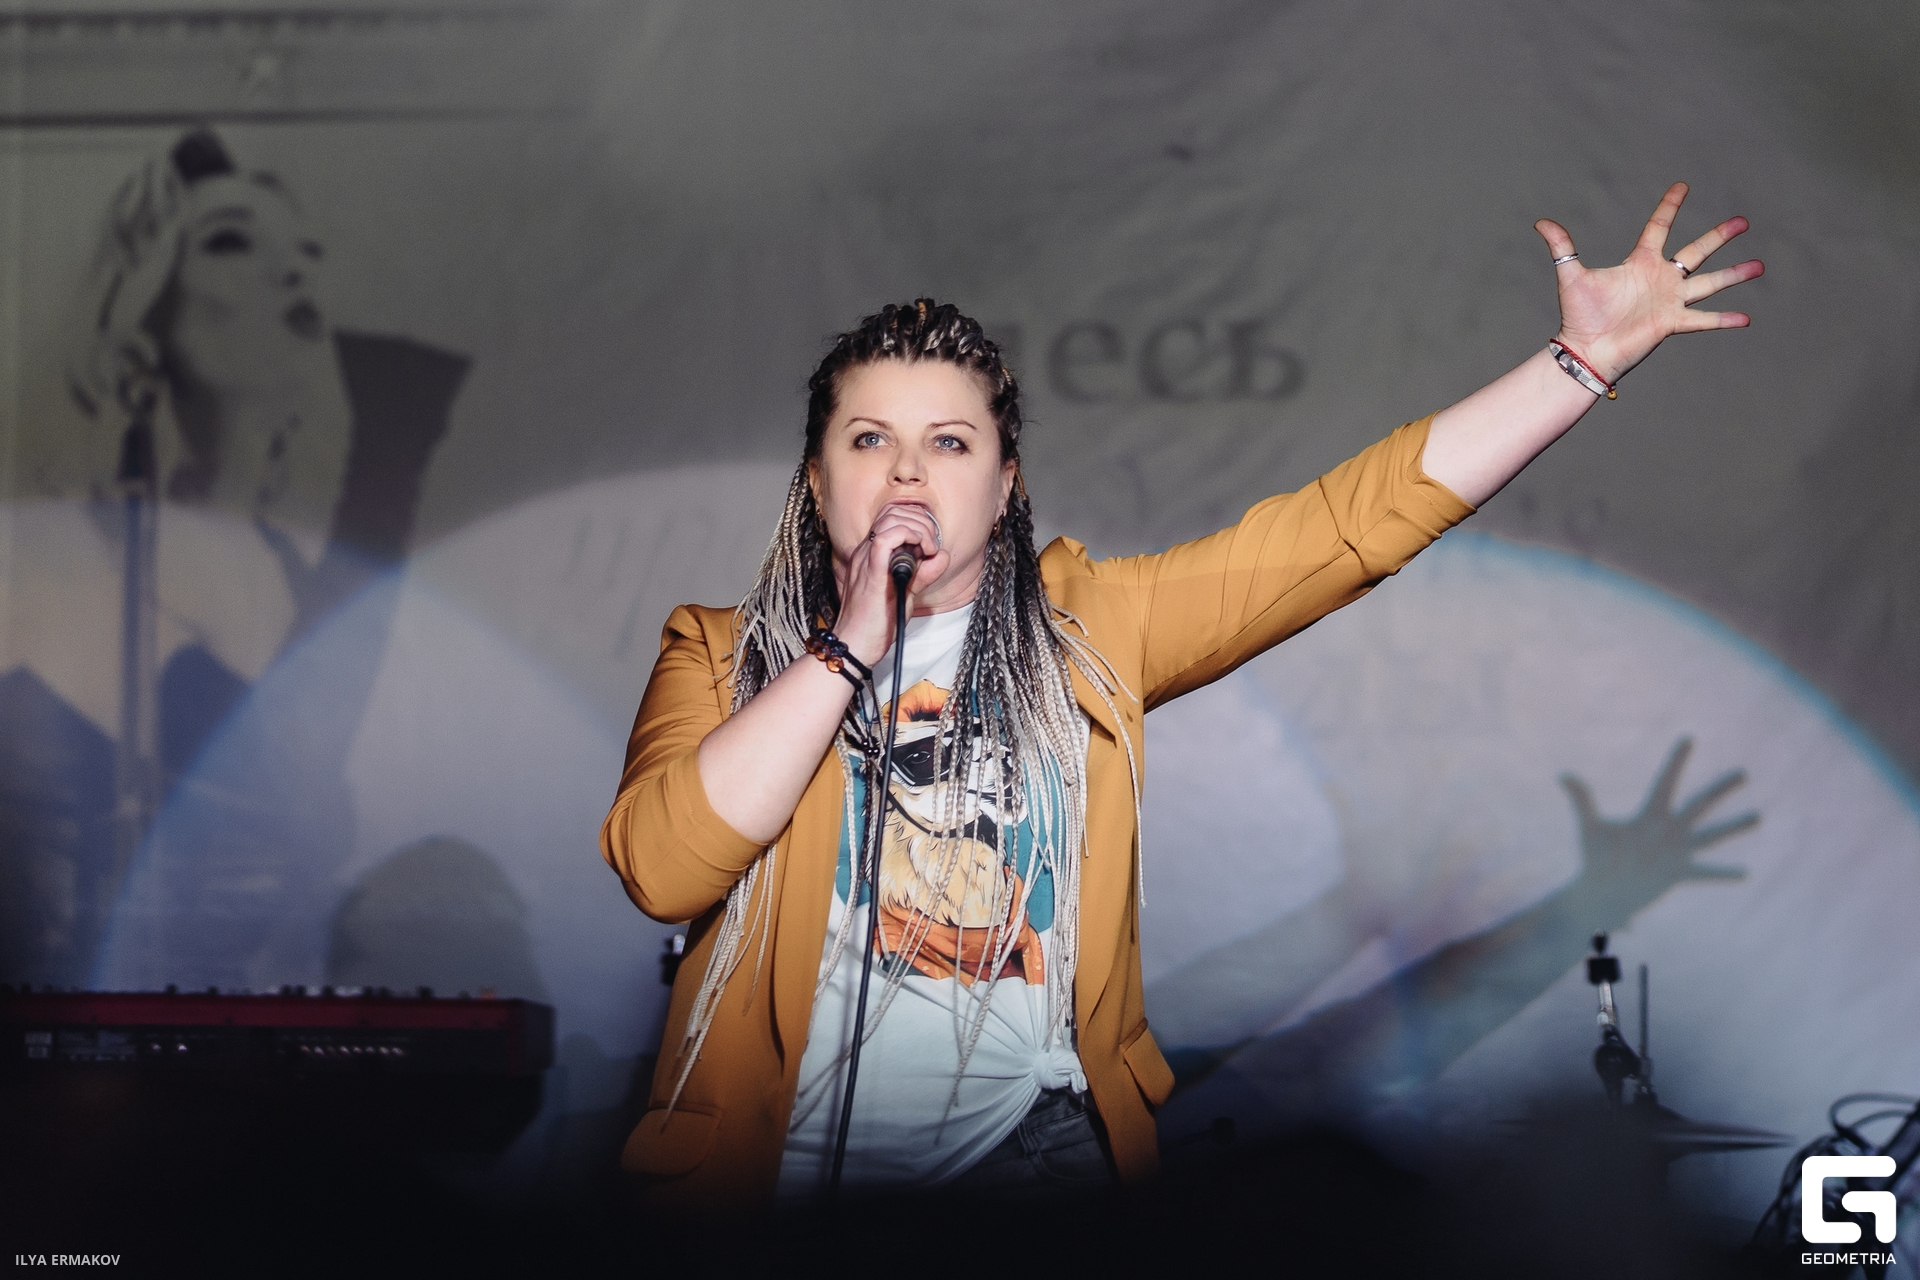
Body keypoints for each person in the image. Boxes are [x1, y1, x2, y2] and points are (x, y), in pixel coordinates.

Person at [599, 183, 1762, 1207]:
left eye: (949, 443)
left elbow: (1344, 529)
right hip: (772, 1179)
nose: (907, 469)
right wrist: (849, 647)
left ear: (1004, 487)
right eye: (870, 439)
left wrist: (1577, 364)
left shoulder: (1094, 635)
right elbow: (664, 867)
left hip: (1031, 1165)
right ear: (818, 481)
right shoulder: (719, 654)